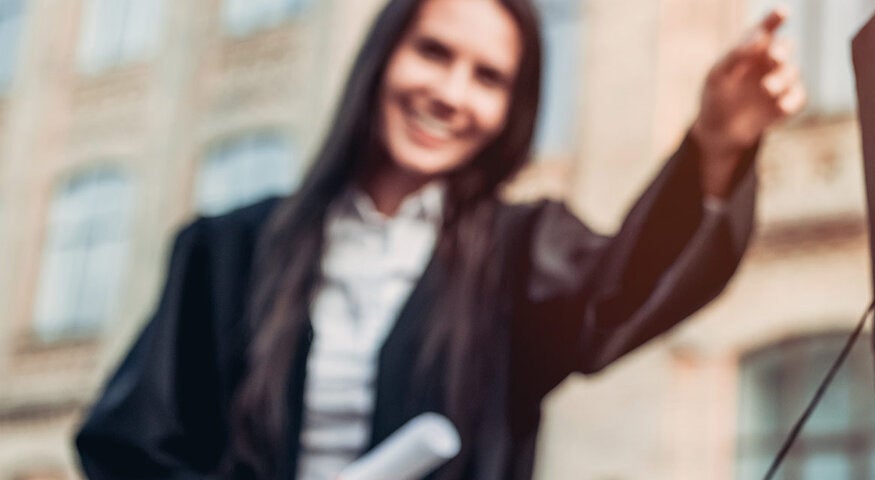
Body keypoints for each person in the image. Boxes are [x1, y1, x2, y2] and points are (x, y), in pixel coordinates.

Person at [72, 0, 806, 478]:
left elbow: (627, 288)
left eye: (488, 77)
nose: (451, 94)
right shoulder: (227, 253)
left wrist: (716, 143)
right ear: (382, 56)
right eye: (433, 53)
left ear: (512, 108)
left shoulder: (519, 256)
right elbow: (128, 445)